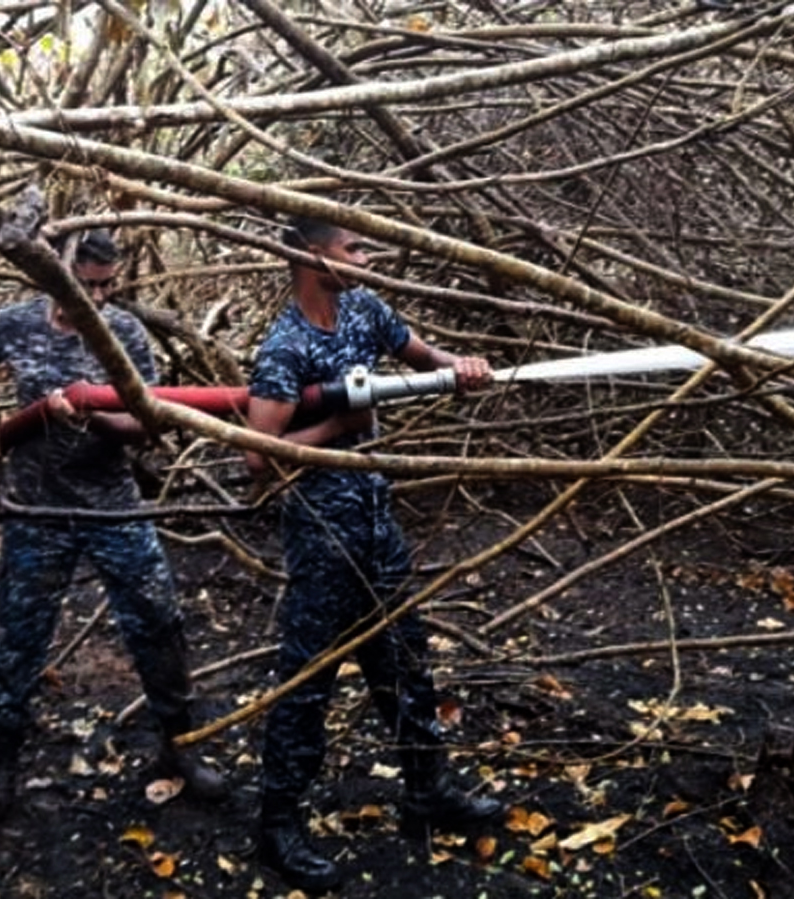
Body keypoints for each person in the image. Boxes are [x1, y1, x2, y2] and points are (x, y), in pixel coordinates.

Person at [245, 217, 503, 892]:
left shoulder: (365, 307)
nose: (366, 257)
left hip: (375, 520)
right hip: (322, 534)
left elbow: (423, 357)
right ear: (310, 255)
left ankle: (427, 791)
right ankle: (277, 826)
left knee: (404, 660)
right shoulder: (285, 345)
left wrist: (461, 369)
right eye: (352, 248)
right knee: (310, 678)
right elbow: (257, 458)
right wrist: (339, 426)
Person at [0, 230, 226, 821]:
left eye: (108, 285)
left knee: (158, 621)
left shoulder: (125, 334)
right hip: (37, 509)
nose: (99, 297)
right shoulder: (13, 326)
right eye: (88, 285)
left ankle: (178, 750)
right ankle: (1, 767)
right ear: (58, 275)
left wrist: (91, 412)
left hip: (112, 503)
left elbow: (150, 422)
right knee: (20, 637)